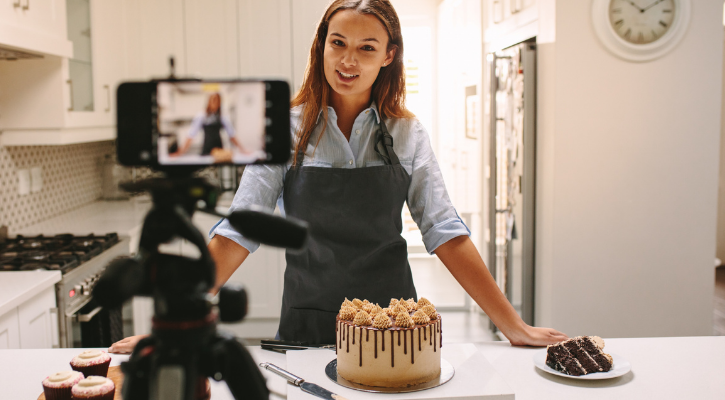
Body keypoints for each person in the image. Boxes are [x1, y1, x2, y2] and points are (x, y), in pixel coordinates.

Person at [111, 0, 566, 354]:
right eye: (338, 42)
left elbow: (445, 231)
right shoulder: (283, 131)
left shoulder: (406, 134)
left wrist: (513, 325)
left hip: (395, 327)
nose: (348, 60)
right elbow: (238, 230)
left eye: (367, 47)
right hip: (309, 323)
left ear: (388, 55)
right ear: (322, 46)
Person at [170, 93, 242, 157]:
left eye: (217, 101)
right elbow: (191, 134)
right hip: (206, 149)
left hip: (219, 151)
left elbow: (231, 134)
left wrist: (242, 150)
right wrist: (180, 152)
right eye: (213, 100)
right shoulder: (201, 116)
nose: (215, 103)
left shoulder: (222, 116)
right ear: (209, 102)